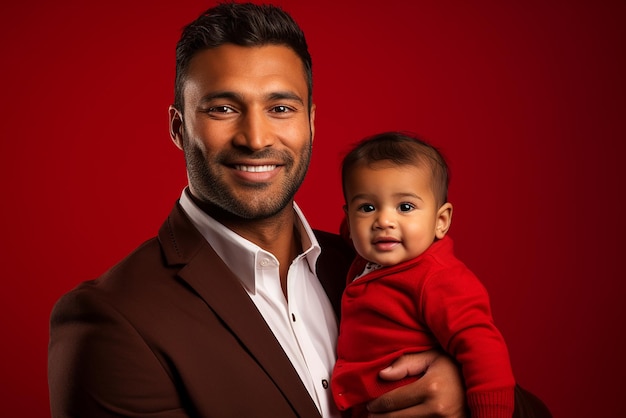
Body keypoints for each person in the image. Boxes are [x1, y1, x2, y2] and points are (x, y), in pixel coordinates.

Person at [48, 2, 550, 417]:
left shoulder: (374, 264)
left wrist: (462, 398)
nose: (257, 137)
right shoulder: (111, 319)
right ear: (179, 127)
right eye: (223, 108)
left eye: (281, 108)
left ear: (310, 122)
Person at [332, 132, 517, 417]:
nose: (384, 220)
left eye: (405, 207)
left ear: (440, 221)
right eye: (367, 207)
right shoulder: (368, 259)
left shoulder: (438, 278)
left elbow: (483, 349)